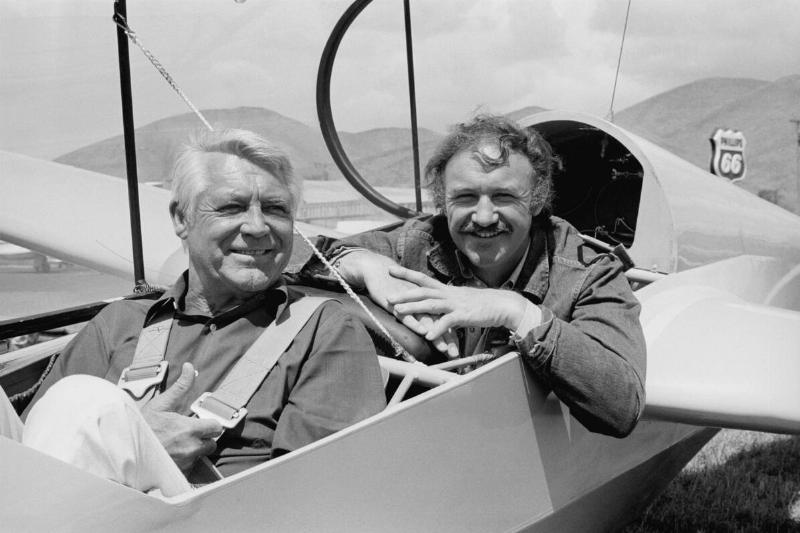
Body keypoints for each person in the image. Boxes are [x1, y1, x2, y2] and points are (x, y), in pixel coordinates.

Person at [1, 128, 386, 496]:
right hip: (60, 502)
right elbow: (36, 444)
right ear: (181, 219)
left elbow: (321, 497)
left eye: (275, 209)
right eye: (232, 207)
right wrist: (133, 446)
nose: (257, 227)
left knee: (79, 399)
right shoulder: (120, 323)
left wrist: (135, 451)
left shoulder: (324, 331)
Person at [301, 115, 645, 438]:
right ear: (443, 202)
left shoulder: (588, 274)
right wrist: (363, 264)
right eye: (465, 197)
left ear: (537, 201)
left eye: (504, 196)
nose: (483, 217)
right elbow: (292, 255)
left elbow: (623, 405)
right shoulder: (417, 243)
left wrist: (516, 311)